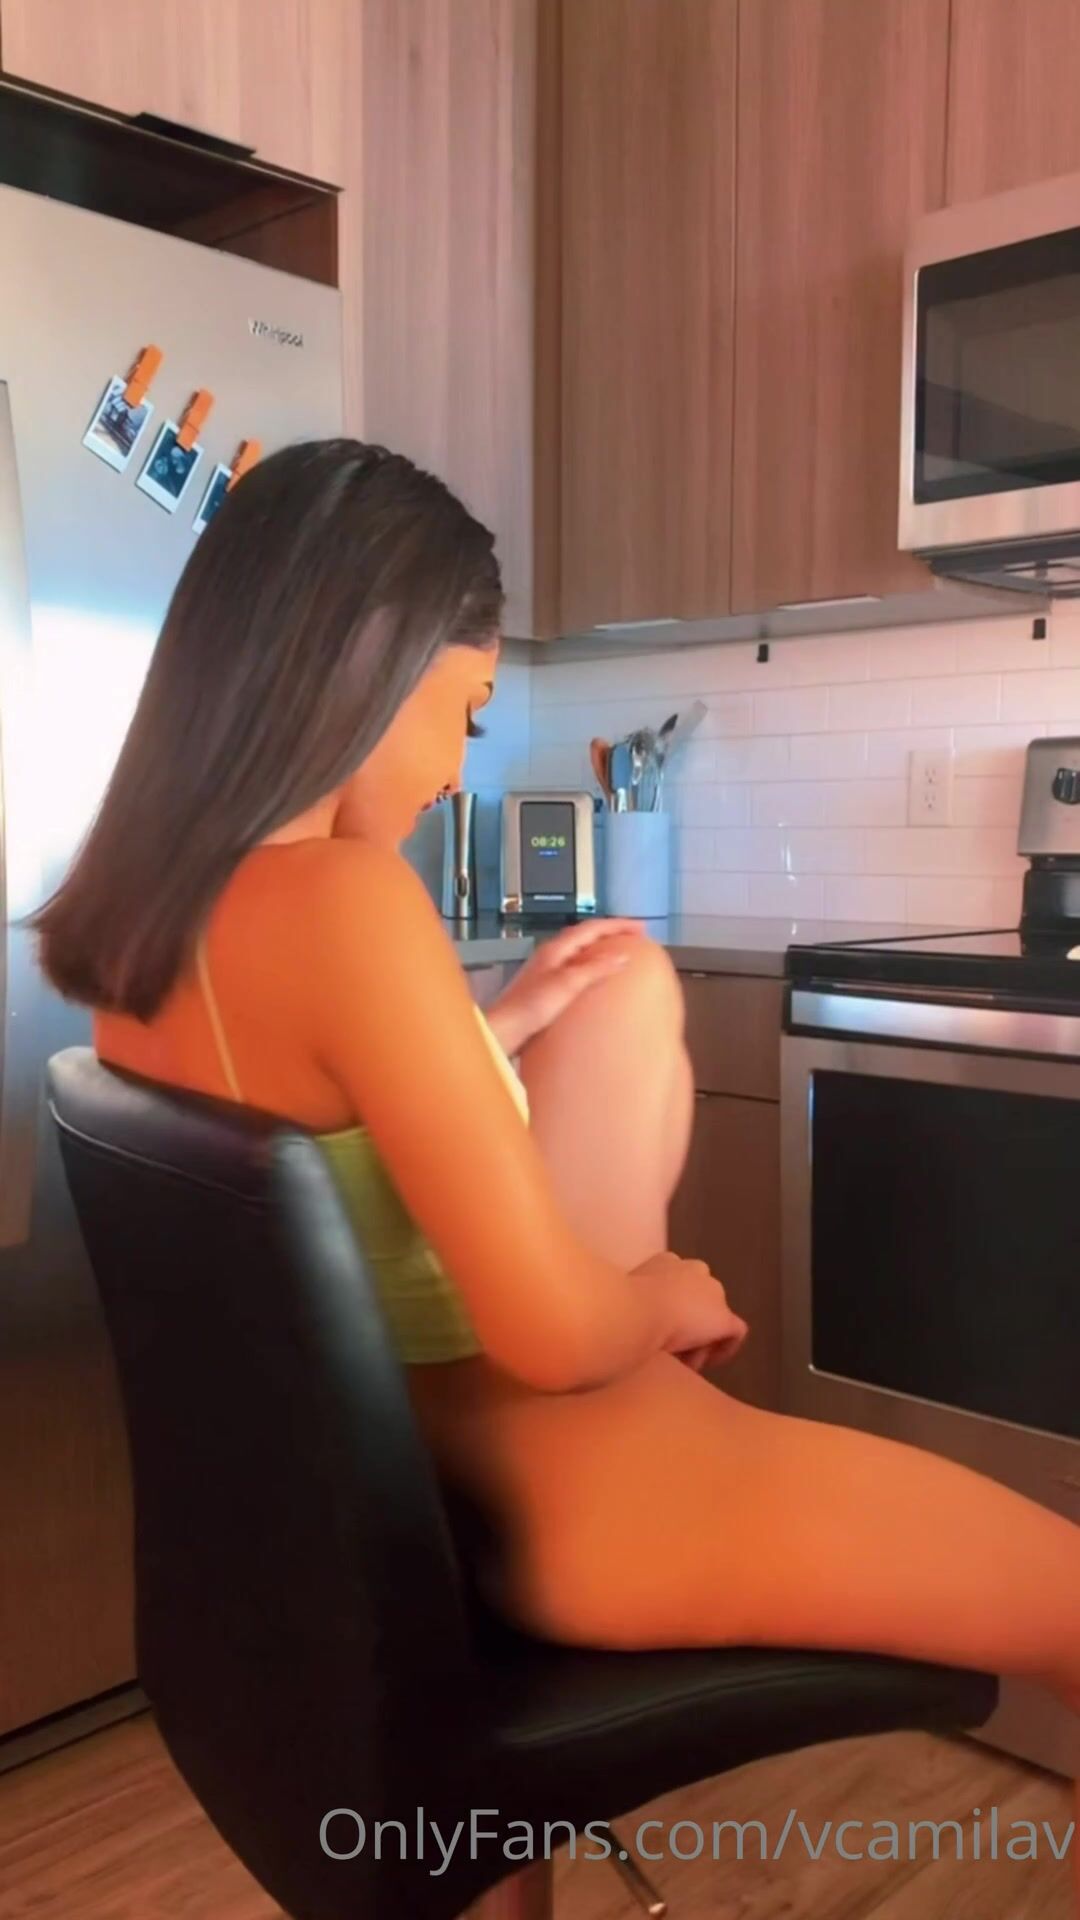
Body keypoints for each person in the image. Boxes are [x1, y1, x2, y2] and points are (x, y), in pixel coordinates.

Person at [32, 440, 1080, 1902]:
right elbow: (548, 1334)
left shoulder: (141, 937)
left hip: (403, 1486)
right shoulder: (345, 899)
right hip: (579, 1496)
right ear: (365, 661)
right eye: (463, 712)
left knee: (619, 990)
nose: (459, 765)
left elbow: (319, 1143)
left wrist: (492, 1031)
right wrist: (664, 1294)